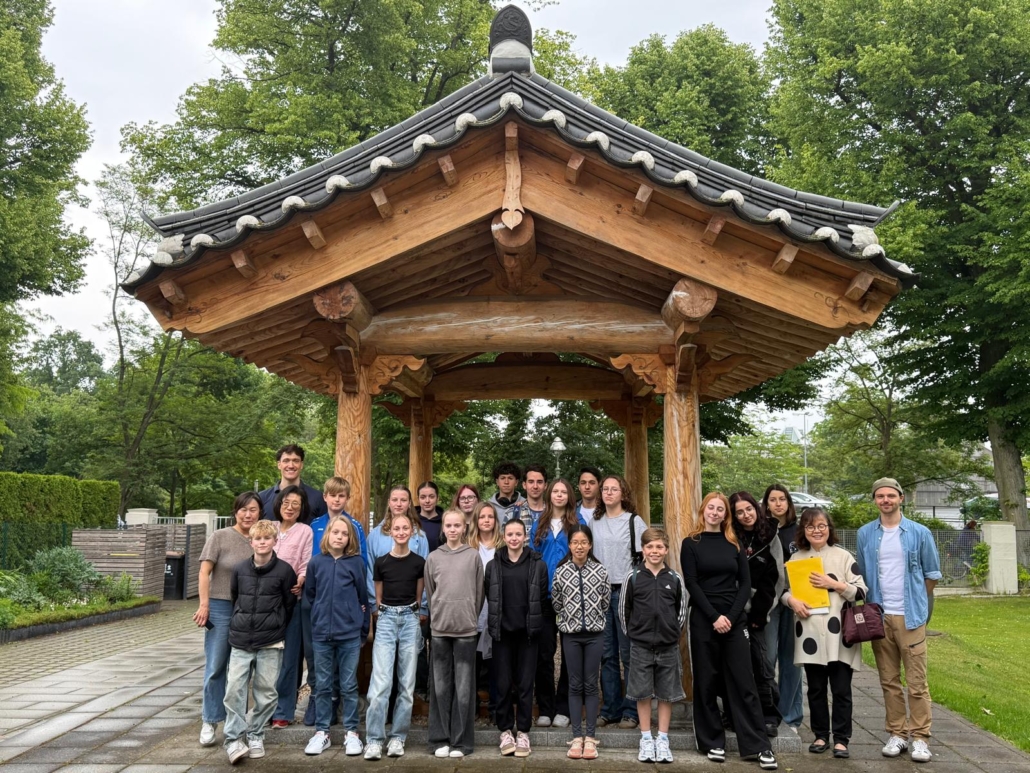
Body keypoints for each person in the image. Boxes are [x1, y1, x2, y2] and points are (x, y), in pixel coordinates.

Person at [681, 492, 778, 770]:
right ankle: (712, 741)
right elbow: (692, 583)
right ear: (703, 511)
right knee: (707, 680)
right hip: (704, 619)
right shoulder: (691, 543)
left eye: (720, 509)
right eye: (710, 507)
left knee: (744, 682)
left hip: (734, 621)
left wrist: (731, 617)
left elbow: (744, 585)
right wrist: (714, 616)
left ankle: (758, 746)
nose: (714, 512)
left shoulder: (733, 543)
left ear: (726, 515)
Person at [856, 478, 941, 764]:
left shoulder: (919, 532)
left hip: (911, 616)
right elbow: (864, 575)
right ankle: (897, 733)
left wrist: (916, 605)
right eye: (880, 496)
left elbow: (931, 575)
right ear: (875, 500)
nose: (885, 500)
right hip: (880, 616)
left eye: (890, 495)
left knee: (917, 682)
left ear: (901, 498)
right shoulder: (865, 534)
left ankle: (920, 738)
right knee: (889, 680)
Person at [782, 507, 867, 760]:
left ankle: (841, 739)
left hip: (839, 635)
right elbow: (783, 591)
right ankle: (820, 735)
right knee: (816, 689)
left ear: (829, 528)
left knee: (841, 689)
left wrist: (834, 584)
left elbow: (862, 591)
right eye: (810, 527)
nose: (816, 531)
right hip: (809, 634)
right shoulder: (796, 559)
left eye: (821, 526)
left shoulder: (843, 556)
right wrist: (792, 602)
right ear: (803, 531)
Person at [221, 520, 298, 764]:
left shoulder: (285, 571)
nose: (262, 542)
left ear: (275, 541)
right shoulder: (239, 569)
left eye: (267, 538)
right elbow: (235, 597)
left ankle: (255, 733)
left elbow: (288, 604)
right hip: (241, 639)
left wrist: (275, 626)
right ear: (251, 541)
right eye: (258, 539)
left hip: (270, 642)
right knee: (234, 690)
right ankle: (233, 739)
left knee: (266, 694)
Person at [194, 492, 262, 747]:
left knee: (242, 669)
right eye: (243, 509)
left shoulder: (259, 539)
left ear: (259, 513)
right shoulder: (219, 537)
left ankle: (237, 724)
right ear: (235, 511)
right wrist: (205, 605)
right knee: (216, 666)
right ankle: (210, 720)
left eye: (253, 510)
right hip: (221, 607)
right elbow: (204, 572)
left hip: (248, 609)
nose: (248, 514)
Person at [302, 476, 368, 727]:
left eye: (342, 495)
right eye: (333, 495)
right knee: (317, 659)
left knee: (346, 667)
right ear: (325, 497)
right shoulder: (315, 524)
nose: (337, 499)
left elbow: (361, 563)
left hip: (345, 604)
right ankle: (320, 704)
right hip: (320, 604)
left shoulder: (355, 526)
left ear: (347, 498)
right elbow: (311, 582)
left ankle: (342, 707)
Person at [619, 527, 687, 764]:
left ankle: (663, 739)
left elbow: (681, 611)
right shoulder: (633, 577)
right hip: (641, 646)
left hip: (668, 646)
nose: (655, 551)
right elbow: (623, 612)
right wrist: (635, 635)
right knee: (642, 693)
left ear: (666, 550)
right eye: (650, 546)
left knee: (667, 694)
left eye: (659, 547)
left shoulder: (675, 578)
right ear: (643, 549)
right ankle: (646, 737)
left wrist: (672, 633)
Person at [364, 510, 426, 760]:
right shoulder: (381, 562)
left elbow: (419, 595)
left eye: (405, 528)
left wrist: (411, 612)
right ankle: (374, 739)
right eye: (397, 529)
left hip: (410, 619)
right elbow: (378, 597)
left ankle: (398, 737)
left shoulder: (419, 563)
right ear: (390, 531)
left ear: (412, 532)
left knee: (406, 683)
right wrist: (383, 613)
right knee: (380, 684)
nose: (401, 532)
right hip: (387, 619)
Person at [484, 518, 548, 758]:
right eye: (509, 534)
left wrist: (533, 623)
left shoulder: (537, 564)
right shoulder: (494, 565)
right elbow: (490, 595)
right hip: (502, 633)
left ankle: (523, 731)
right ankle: (504, 730)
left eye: (518, 534)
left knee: (524, 684)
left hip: (528, 633)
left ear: (525, 536)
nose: (513, 538)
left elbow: (541, 599)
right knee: (502, 684)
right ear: (504, 536)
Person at [425, 509, 485, 758]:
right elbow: (430, 592)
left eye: (456, 525)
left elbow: (479, 593)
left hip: (466, 630)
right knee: (440, 686)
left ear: (464, 528)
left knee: (463, 687)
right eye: (448, 525)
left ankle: (461, 742)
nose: (452, 529)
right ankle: (440, 739)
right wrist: (439, 614)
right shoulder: (433, 557)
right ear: (443, 529)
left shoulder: (473, 557)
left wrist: (469, 615)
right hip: (440, 630)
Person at [591, 474, 646, 729]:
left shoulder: (634, 522)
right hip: (601, 592)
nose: (609, 493)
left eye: (614, 489)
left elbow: (646, 559)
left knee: (629, 654)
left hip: (626, 593)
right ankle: (610, 708)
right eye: (605, 489)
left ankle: (631, 710)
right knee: (606, 654)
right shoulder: (595, 521)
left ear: (623, 493)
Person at [551, 524, 610, 760]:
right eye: (575, 542)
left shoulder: (600, 570)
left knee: (591, 683)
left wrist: (593, 617)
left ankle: (591, 737)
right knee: (575, 684)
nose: (579, 546)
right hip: (571, 635)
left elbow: (605, 602)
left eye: (583, 542)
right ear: (569, 545)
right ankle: (577, 737)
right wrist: (569, 618)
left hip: (595, 634)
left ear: (590, 544)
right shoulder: (561, 571)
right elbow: (556, 601)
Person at [729, 491, 784, 736]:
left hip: (759, 612)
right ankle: (734, 714)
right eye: (739, 512)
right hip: (732, 611)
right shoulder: (730, 535)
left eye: (749, 509)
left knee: (763, 665)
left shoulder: (771, 535)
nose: (745, 515)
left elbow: (775, 579)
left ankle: (769, 715)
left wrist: (760, 613)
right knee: (734, 666)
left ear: (756, 508)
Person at [528, 478, 582, 728]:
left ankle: (564, 708)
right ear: (549, 495)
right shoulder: (539, 523)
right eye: (556, 491)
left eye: (564, 492)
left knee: (571, 656)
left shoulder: (578, 523)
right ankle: (546, 708)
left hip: (570, 597)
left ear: (570, 496)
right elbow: (530, 558)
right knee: (544, 656)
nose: (559, 495)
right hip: (544, 597)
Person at [270, 486, 313, 728]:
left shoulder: (304, 531)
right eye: (287, 503)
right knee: (266, 656)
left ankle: (283, 711)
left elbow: (306, 560)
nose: (290, 507)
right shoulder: (269, 526)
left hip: (291, 599)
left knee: (289, 658)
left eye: (296, 505)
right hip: (265, 602)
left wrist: (301, 578)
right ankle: (264, 707)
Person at [762, 484, 803, 731]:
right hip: (769, 600)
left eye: (782, 499)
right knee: (767, 658)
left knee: (793, 661)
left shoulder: (798, 531)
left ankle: (791, 716)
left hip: (797, 601)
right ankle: (768, 711)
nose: (778, 503)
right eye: (773, 499)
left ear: (788, 503)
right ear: (766, 503)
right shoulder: (761, 531)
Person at [365, 485, 430, 614]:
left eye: (403, 500)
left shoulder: (420, 536)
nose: (399, 504)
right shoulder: (375, 535)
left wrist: (422, 607)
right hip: (383, 608)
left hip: (412, 608)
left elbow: (426, 572)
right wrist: (375, 605)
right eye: (395, 500)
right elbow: (370, 572)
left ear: (410, 503)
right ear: (389, 502)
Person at [469, 501, 502, 722]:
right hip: (472, 610)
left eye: (490, 517)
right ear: (476, 521)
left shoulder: (503, 547)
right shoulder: (468, 546)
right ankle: (469, 709)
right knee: (472, 663)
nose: (486, 521)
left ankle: (495, 710)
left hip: (496, 610)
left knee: (496, 664)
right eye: (482, 517)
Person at [258, 444, 327, 523]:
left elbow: (325, 531)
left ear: (301, 465)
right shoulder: (262, 498)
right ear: (279, 465)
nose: (291, 465)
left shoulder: (317, 498)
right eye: (286, 461)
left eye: (295, 461)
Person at [488, 461, 529, 525]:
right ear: (497, 482)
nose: (506, 482)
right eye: (502, 478)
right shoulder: (488, 506)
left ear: (516, 482)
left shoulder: (526, 504)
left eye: (510, 478)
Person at [417, 481, 445, 553]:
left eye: (431, 497)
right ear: (418, 499)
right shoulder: (411, 521)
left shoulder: (446, 521)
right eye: (423, 497)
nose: (427, 501)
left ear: (437, 498)